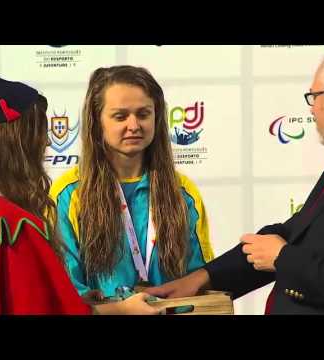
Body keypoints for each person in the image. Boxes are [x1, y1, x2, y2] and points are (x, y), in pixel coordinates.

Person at [146, 45, 324, 314]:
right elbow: (294, 234)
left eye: (313, 97)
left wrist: (282, 258)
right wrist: (202, 278)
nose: (311, 111)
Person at [0, 45, 159, 315]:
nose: (47, 142)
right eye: (40, 133)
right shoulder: (14, 225)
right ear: (17, 145)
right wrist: (122, 311)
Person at [50, 65, 214, 301]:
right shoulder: (69, 194)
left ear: (156, 117)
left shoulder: (183, 192)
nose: (134, 125)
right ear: (97, 121)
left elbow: (200, 278)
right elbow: (66, 288)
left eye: (143, 114)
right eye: (120, 116)